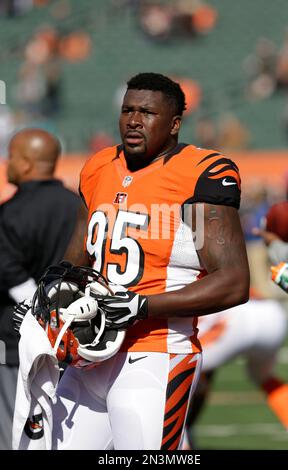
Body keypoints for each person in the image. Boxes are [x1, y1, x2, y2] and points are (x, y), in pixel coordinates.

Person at [17, 73, 250, 450]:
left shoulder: (195, 175)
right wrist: (49, 305)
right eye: (127, 110)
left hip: (156, 352)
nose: (133, 120)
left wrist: (143, 306)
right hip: (91, 354)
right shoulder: (98, 168)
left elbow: (233, 281)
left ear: (174, 123)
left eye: (147, 112)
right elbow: (75, 263)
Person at [0, 128, 81, 450]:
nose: (7, 164)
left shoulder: (10, 212)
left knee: (16, 433)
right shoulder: (79, 207)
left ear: (27, 163)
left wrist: (35, 306)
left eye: (11, 157)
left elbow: (5, 267)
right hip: (72, 338)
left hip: (15, 341)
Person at [184, 297, 288, 450]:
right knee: (265, 378)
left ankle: (181, 446)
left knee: (177, 384)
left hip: (230, 320)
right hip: (272, 315)